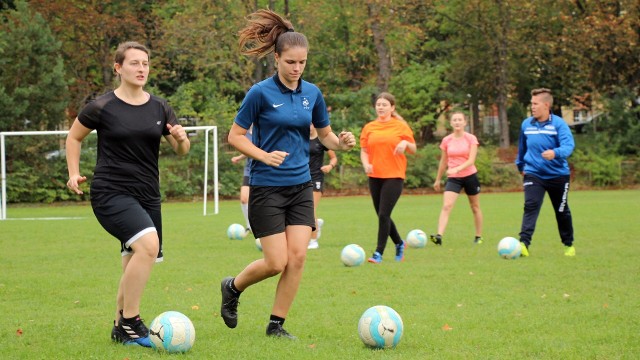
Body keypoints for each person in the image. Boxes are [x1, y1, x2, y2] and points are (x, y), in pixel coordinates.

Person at [221, 9, 356, 339]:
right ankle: (232, 287)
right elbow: (235, 136)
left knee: (297, 258)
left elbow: (325, 136)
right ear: (277, 58)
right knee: (275, 262)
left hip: (300, 187)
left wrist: (344, 143)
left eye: (302, 63)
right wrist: (263, 156)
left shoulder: (313, 94)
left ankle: (276, 325)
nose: (297, 69)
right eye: (291, 62)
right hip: (266, 188)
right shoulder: (260, 93)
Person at [65, 41, 190, 347]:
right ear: (119, 68)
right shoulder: (102, 106)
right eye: (134, 63)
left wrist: (181, 138)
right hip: (111, 191)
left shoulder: (160, 107)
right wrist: (72, 173)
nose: (141, 69)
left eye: (145, 63)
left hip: (147, 194)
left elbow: (181, 151)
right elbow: (73, 136)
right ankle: (132, 322)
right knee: (148, 246)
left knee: (134, 258)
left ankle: (119, 325)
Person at [515, 88, 576, 257]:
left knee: (561, 210)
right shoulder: (526, 124)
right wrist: (520, 166)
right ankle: (523, 244)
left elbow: (569, 146)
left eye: (535, 104)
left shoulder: (558, 124)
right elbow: (522, 148)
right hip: (533, 173)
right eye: (531, 104)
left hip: (558, 175)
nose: (532, 107)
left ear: (546, 105)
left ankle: (568, 244)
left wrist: (555, 153)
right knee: (530, 206)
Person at [360, 92, 416, 264]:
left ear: (392, 108)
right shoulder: (369, 127)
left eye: (385, 104)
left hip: (394, 176)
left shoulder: (400, 126)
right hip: (375, 176)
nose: (381, 107)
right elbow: (364, 150)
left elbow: (413, 148)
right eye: (378, 105)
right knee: (382, 215)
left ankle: (378, 253)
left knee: (384, 214)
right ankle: (399, 243)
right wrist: (366, 164)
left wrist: (405, 143)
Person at [430, 111, 483, 246]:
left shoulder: (471, 139)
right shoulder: (446, 140)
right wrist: (438, 179)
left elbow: (471, 160)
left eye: (460, 120)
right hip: (454, 178)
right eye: (455, 120)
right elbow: (443, 161)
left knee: (475, 207)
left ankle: (478, 236)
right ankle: (439, 236)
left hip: (470, 176)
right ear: (451, 123)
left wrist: (457, 168)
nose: (457, 122)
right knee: (447, 206)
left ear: (465, 122)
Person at [308, 124, 338, 249]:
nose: (308, 126)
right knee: (302, 210)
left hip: (316, 178)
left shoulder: (321, 140)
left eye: (310, 123)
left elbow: (334, 158)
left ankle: (313, 241)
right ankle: (317, 225)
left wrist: (329, 166)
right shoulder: (301, 138)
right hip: (301, 177)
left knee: (310, 209)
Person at [230, 126, 254, 236]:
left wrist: (239, 158)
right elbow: (247, 149)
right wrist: (239, 157)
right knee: (244, 199)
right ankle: (250, 226)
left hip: (264, 170)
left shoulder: (264, 129)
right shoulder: (244, 133)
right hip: (249, 170)